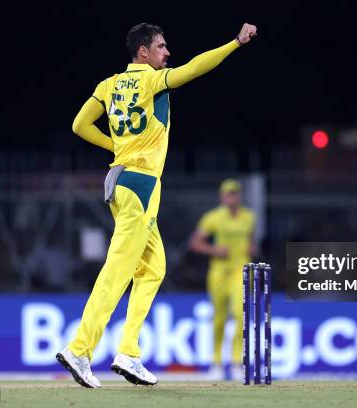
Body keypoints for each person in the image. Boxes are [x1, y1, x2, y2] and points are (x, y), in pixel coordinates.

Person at [56, 23, 258, 389]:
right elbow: (195, 68)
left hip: (120, 183)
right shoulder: (151, 80)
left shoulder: (109, 84)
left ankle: (128, 353)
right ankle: (79, 349)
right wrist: (235, 42)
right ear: (143, 53)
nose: (168, 53)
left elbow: (78, 125)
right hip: (142, 184)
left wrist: (115, 148)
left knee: (153, 268)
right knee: (116, 273)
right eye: (162, 47)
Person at [189, 179, 256, 380]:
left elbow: (252, 240)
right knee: (219, 318)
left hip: (241, 270)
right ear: (222, 196)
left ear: (240, 196)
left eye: (235, 194)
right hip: (219, 272)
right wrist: (215, 250)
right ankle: (216, 362)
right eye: (228, 194)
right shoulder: (213, 218)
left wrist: (251, 248)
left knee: (240, 314)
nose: (232, 197)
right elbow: (195, 243)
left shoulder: (249, 217)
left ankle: (236, 362)